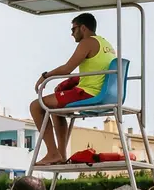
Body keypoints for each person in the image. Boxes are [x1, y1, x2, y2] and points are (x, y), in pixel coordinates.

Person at [30, 12, 117, 166]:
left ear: (83, 28)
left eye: (73, 29)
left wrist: (45, 76)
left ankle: (52, 153)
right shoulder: (106, 45)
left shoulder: (87, 42)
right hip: (104, 93)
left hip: (88, 93)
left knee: (36, 106)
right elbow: (95, 71)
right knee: (56, 108)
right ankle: (61, 155)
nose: (71, 34)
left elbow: (67, 68)